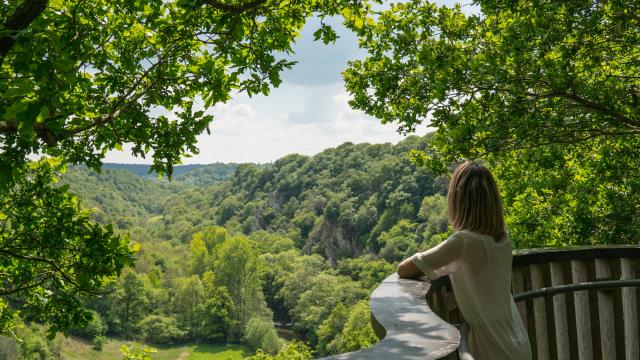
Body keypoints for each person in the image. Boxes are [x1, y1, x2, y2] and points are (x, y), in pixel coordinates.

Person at [397, 160, 531, 360]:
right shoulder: (502, 240)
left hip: (493, 348)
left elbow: (404, 269)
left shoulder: (464, 242)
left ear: (458, 201)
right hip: (516, 341)